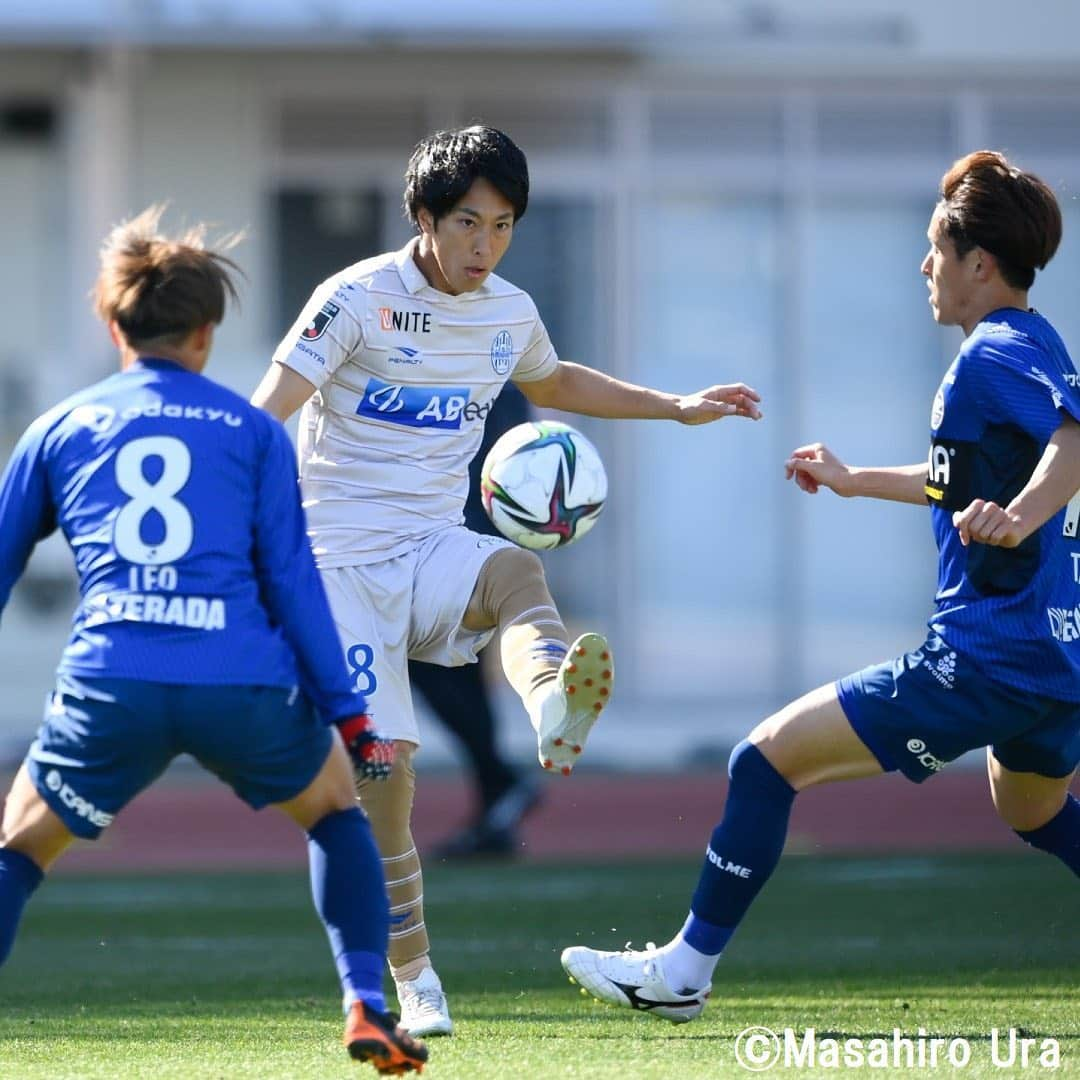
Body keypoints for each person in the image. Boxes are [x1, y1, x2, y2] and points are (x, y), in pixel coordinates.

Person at [251, 124, 762, 1036]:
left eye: (503, 226)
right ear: (423, 218)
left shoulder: (506, 311)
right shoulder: (354, 300)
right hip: (333, 572)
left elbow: (556, 379)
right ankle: (415, 983)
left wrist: (676, 407)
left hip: (431, 547)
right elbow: (268, 413)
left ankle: (551, 704)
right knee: (387, 785)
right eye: (467, 224)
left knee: (518, 567)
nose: (484, 246)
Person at [560, 149, 1080, 1023]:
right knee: (1030, 808)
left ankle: (683, 972)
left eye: (935, 249)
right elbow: (959, 477)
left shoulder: (994, 354)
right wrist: (852, 478)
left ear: (978, 262)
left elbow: (1075, 440)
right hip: (1054, 661)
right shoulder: (1031, 343)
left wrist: (1023, 516)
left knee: (761, 763)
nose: (925, 267)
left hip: (989, 658)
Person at [0, 208, 428, 1075]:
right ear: (205, 333)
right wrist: (350, 718)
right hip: (241, 680)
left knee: (17, 849)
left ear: (114, 325)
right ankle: (368, 1006)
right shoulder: (255, 432)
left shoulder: (60, 428)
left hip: (113, 679)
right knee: (337, 814)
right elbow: (295, 588)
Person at [411, 382, 542, 859]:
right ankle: (497, 800)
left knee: (421, 662)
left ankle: (500, 781)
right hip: (467, 546)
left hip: (461, 547)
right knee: (451, 669)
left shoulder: (488, 379)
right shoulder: (494, 376)